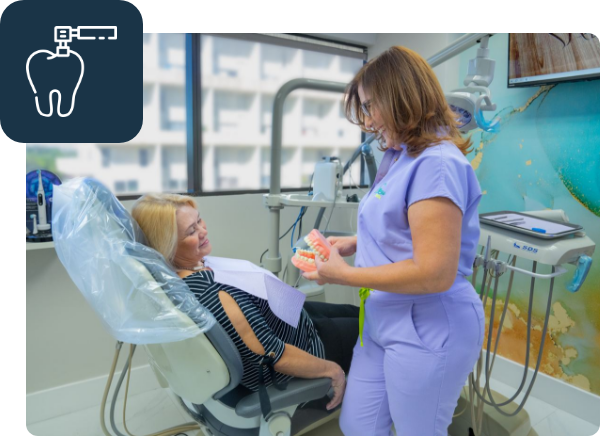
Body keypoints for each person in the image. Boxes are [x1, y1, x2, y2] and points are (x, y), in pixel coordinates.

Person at [302, 46, 485, 436]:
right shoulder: (402, 156)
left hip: (428, 324)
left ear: (400, 97)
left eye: (371, 107)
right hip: (382, 319)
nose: (368, 121)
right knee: (358, 426)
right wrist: (356, 241)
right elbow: (401, 224)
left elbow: (434, 272)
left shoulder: (436, 163)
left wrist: (342, 275)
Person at [131, 193, 359, 412]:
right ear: (167, 245)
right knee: (374, 328)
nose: (203, 230)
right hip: (308, 346)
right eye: (192, 230)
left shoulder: (192, 265)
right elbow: (277, 356)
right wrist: (333, 370)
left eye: (199, 219)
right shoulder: (214, 294)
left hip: (292, 319)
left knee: (359, 313)